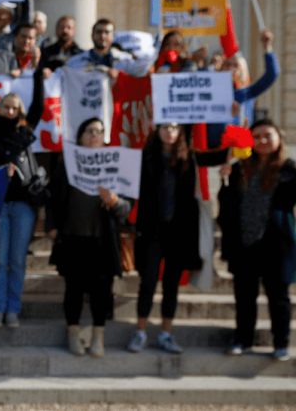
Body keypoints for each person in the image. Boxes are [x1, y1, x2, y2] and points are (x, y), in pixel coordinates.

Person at [126, 122, 229, 354]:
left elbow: (221, 155)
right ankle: (140, 332)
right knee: (148, 282)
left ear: (181, 131)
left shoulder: (190, 157)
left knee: (171, 285)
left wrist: (239, 132)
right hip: (152, 232)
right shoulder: (145, 156)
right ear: (157, 130)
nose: (169, 132)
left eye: (174, 127)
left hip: (178, 233)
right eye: (164, 127)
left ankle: (166, 334)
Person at [45, 118, 133, 357]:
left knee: (102, 290)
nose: (94, 135)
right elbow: (53, 198)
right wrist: (52, 227)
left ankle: (98, 336)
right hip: (73, 237)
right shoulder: (68, 163)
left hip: (102, 240)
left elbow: (127, 207)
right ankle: (73, 333)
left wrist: (116, 201)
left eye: (99, 131)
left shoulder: (116, 164)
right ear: (81, 135)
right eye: (89, 131)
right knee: (73, 288)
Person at [218, 119, 296, 361]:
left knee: (279, 297)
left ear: (278, 138)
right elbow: (226, 205)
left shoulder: (289, 169)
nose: (262, 141)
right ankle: (243, 339)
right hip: (244, 242)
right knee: (244, 296)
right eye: (258, 136)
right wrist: (224, 180)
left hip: (276, 243)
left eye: (267, 135)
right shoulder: (239, 167)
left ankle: (281, 343)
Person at [0, 81, 46, 329]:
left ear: (21, 112)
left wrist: (39, 72)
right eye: (6, 107)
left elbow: (40, 105)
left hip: (23, 205)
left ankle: (12, 309)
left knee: (16, 261)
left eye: (15, 108)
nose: (10, 111)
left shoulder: (24, 132)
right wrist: (5, 163)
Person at [65, 19, 153, 79]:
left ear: (113, 36)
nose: (103, 36)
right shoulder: (75, 62)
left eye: (107, 32)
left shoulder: (125, 61)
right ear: (92, 35)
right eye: (99, 32)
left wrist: (119, 76)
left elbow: (142, 73)